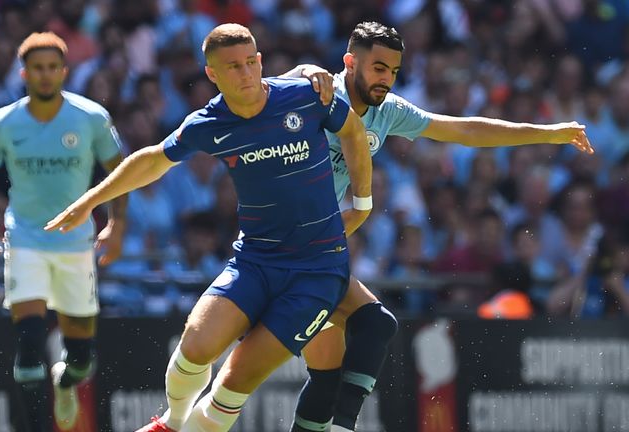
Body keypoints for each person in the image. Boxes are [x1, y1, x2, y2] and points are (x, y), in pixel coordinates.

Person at [44, 23, 373, 432]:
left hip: (318, 270)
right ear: (212, 74)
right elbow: (151, 160)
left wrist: (363, 201)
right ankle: (172, 421)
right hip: (255, 259)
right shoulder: (209, 122)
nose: (247, 73)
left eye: (251, 62)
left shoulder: (306, 96)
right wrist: (89, 201)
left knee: (233, 382)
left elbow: (353, 131)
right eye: (233, 66)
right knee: (195, 348)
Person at [281, 21, 595, 432]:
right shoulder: (319, 92)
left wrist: (547, 134)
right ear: (349, 62)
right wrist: (302, 70)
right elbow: (257, 85)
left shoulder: (387, 110)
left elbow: (464, 129)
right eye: (378, 68)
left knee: (344, 355)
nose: (386, 80)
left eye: (393, 71)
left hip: (314, 250)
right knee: (232, 378)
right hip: (275, 245)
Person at [0, 32, 126, 431]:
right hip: (23, 240)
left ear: (64, 72)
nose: (45, 75)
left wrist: (116, 224)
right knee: (28, 347)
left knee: (81, 359)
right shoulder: (2, 123)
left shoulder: (90, 117)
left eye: (52, 67)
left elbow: (119, 173)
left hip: (76, 243)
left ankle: (67, 382)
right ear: (24, 73)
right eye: (37, 68)